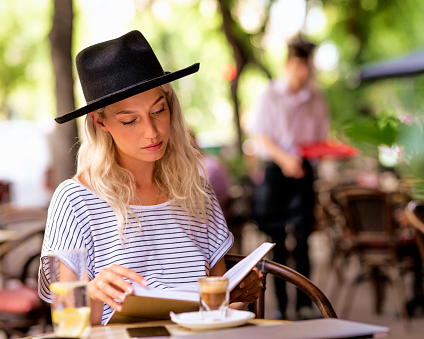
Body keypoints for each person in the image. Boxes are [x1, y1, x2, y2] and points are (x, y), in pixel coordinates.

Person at [38, 30, 262, 326]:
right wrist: (92, 292)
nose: (152, 131)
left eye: (159, 110)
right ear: (100, 121)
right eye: (130, 120)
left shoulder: (195, 190)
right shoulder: (75, 200)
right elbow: (64, 318)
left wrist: (243, 292)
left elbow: (220, 304)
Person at [246, 36, 329, 320]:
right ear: (287, 65)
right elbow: (261, 136)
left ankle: (304, 304)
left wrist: (308, 158)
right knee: (277, 241)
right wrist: (285, 159)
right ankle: (280, 305)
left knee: (304, 238)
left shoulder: (316, 97)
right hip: (276, 171)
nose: (301, 73)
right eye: (297, 66)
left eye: (305, 66)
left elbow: (319, 137)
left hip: (304, 170)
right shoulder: (271, 94)